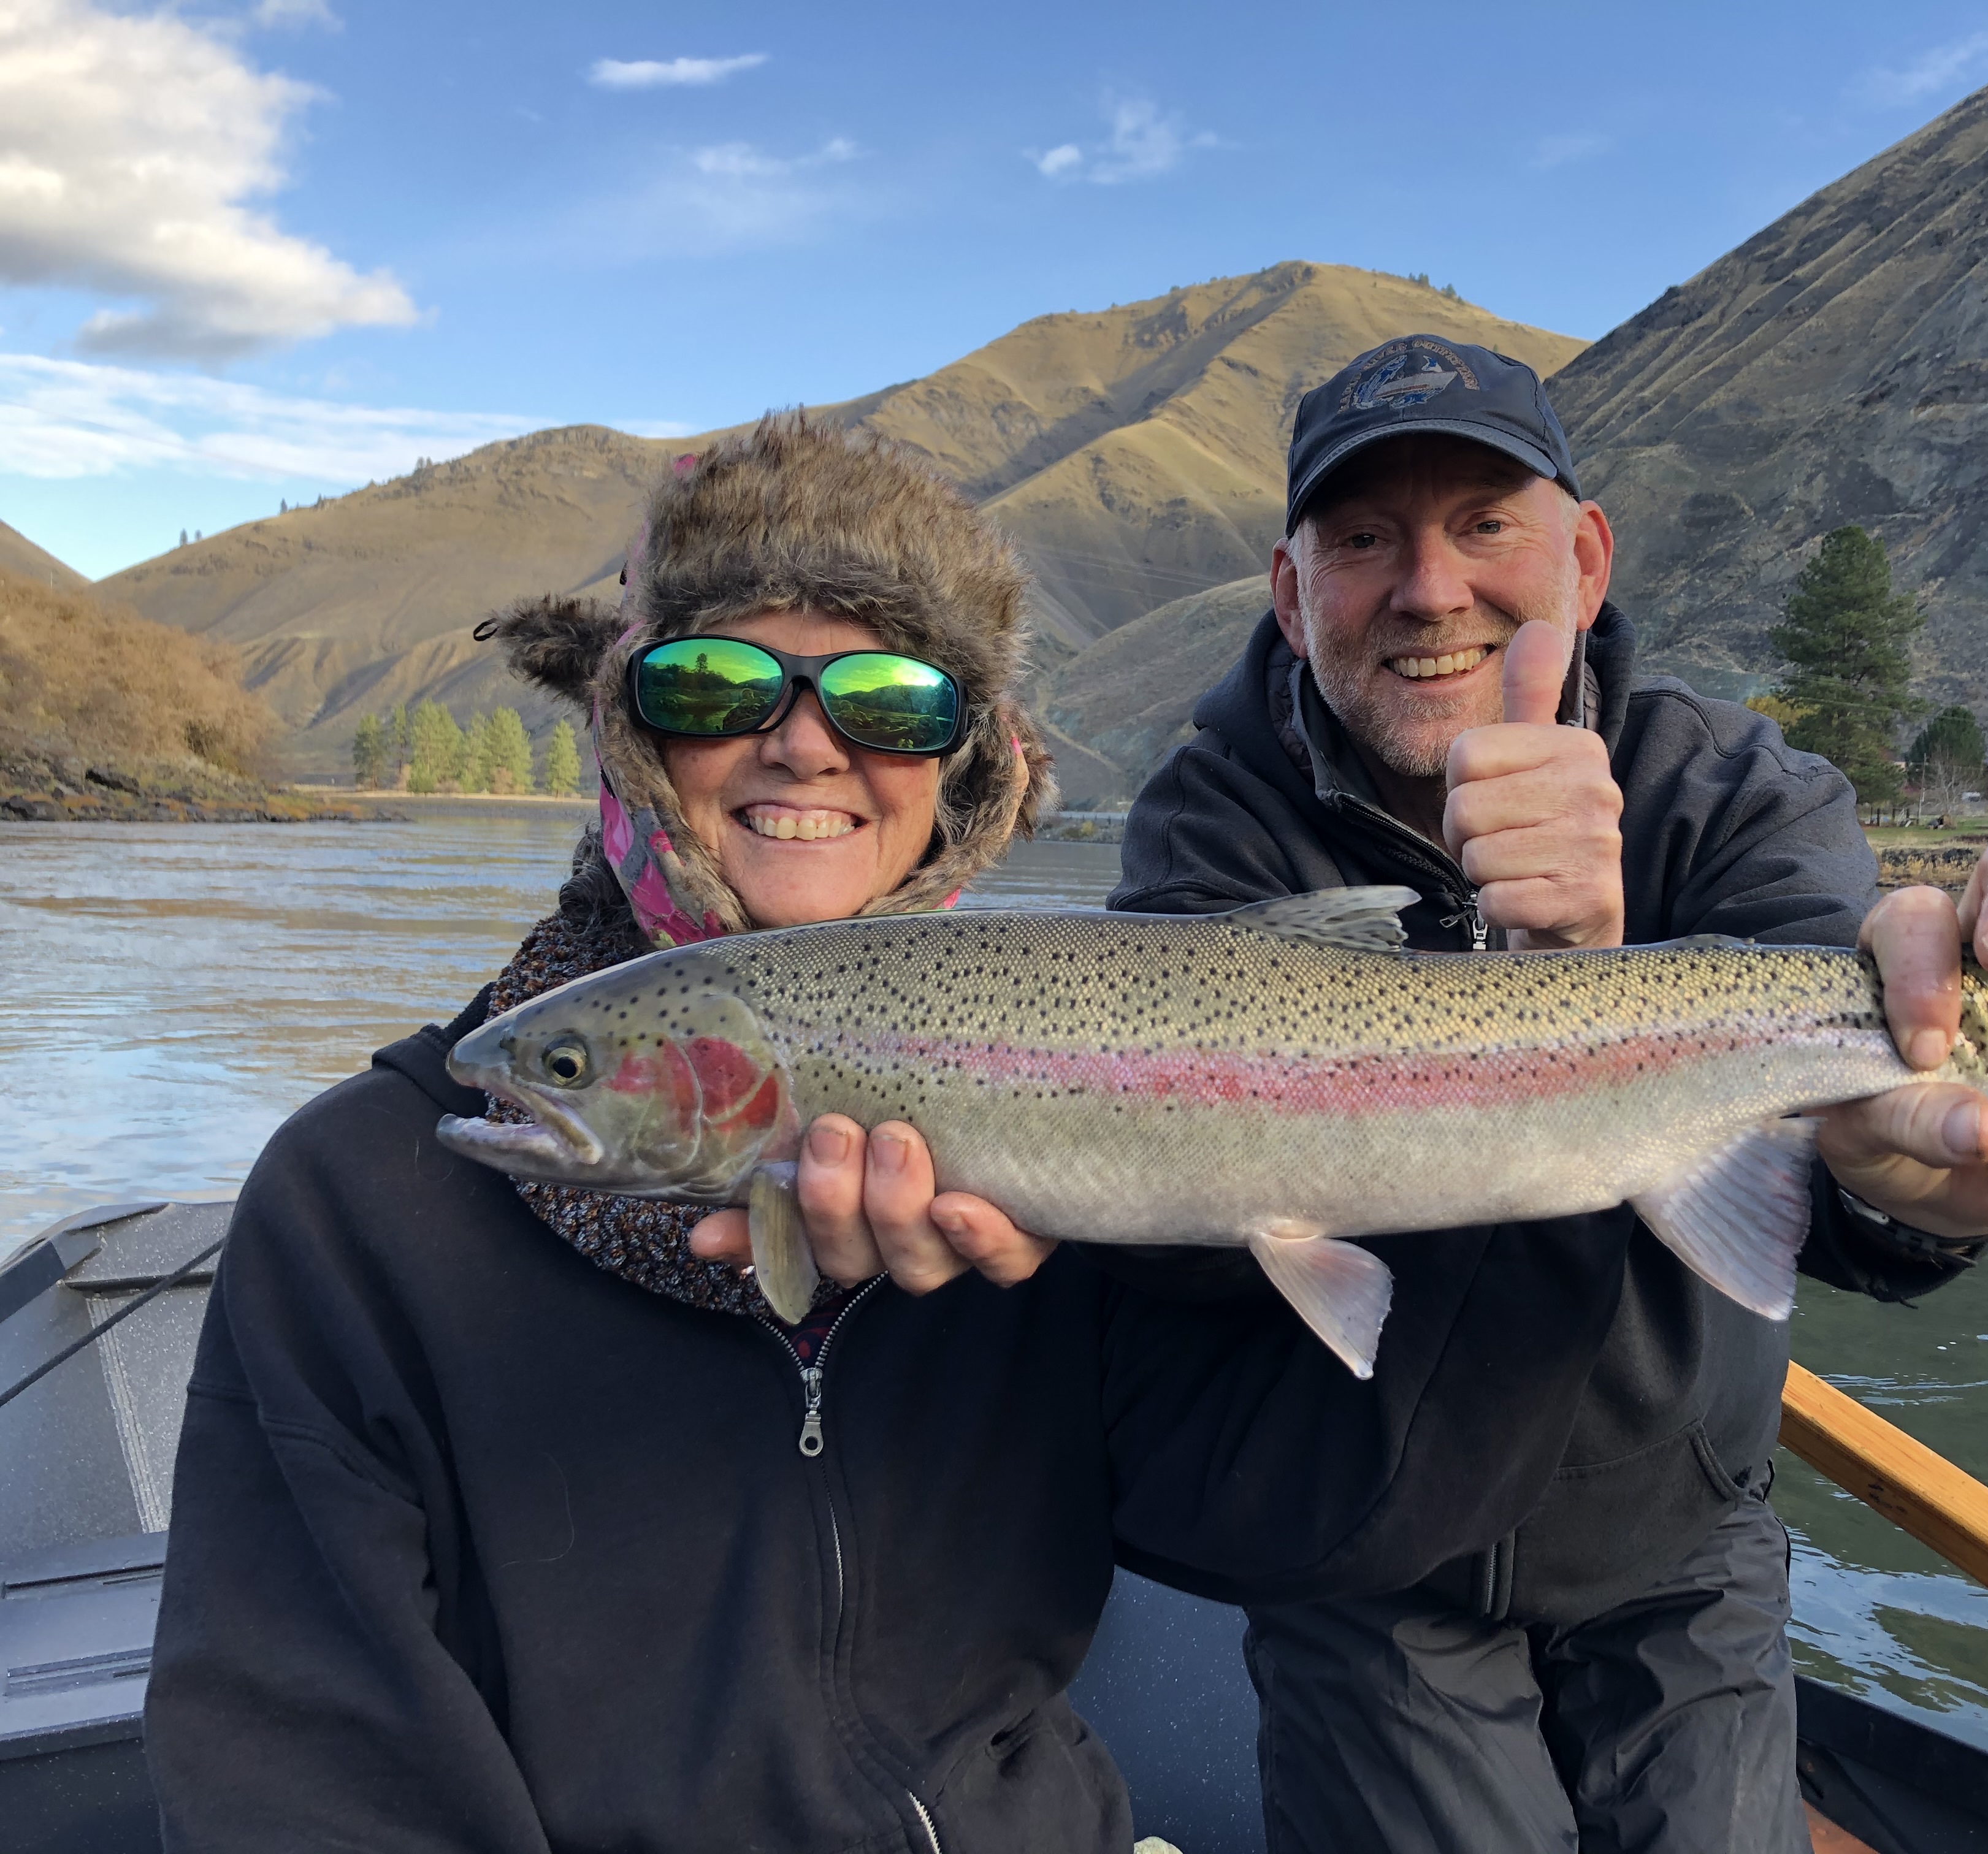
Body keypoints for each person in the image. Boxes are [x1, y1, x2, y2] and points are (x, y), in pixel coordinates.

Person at [143, 416, 1634, 1853]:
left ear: (962, 768)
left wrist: (1568, 1141)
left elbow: (1314, 1526)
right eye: (716, 682)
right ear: (625, 720)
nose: (804, 745)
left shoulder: (1070, 1138)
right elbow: (306, 1779)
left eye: (892, 701)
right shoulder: (357, 1206)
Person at [1104, 335, 1988, 1852]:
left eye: (1482, 525)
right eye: (1363, 541)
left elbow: (1863, 1160)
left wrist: (1911, 1175)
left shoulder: (1739, 793)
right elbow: (1171, 1244)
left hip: (1679, 1525)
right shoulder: (1209, 822)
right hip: (1359, 1544)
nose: (1427, 588)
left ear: (1584, 562)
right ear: (1291, 594)